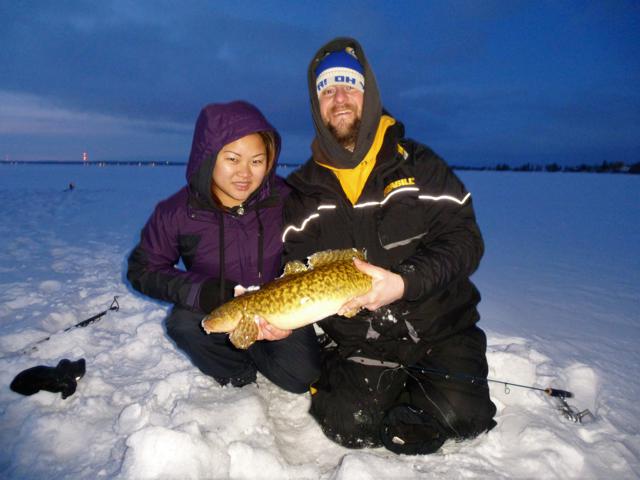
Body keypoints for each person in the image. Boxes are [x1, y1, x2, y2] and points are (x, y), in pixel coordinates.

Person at [282, 37, 497, 454]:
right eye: (327, 90)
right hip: (360, 338)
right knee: (349, 427)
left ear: (369, 93)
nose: (339, 98)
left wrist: (403, 283)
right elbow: (292, 269)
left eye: (349, 85)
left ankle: (419, 390)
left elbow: (466, 241)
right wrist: (282, 319)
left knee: (463, 419)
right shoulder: (301, 192)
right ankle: (361, 386)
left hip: (440, 327)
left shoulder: (419, 165)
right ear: (316, 105)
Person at [127, 101, 320, 393]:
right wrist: (199, 291)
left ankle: (257, 349)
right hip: (220, 306)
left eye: (256, 161)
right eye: (232, 159)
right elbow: (142, 269)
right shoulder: (177, 212)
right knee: (183, 323)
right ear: (209, 158)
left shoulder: (287, 199)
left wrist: (290, 312)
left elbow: (316, 244)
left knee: (300, 379)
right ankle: (237, 370)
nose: (245, 173)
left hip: (276, 307)